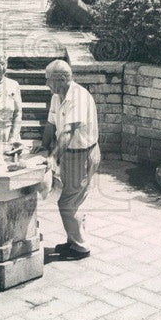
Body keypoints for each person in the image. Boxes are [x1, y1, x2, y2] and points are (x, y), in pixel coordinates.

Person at [34, 60, 100, 259]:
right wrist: (44, 146)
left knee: (67, 203)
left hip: (82, 155)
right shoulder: (57, 95)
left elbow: (69, 131)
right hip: (71, 155)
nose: (46, 84)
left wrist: (53, 158)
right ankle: (73, 241)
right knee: (73, 200)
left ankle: (81, 247)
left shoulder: (79, 97)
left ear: (61, 79)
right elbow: (51, 123)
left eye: (48, 80)